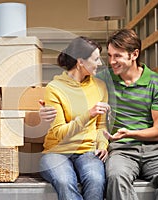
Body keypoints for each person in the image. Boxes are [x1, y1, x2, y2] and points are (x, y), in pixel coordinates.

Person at [40, 29, 158, 200]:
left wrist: (126, 134)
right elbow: (71, 84)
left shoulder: (156, 83)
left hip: (153, 150)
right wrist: (43, 112)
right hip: (120, 150)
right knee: (115, 178)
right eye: (109, 56)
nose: (110, 62)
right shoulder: (102, 79)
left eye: (117, 56)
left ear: (134, 54)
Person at [39, 36, 110, 200]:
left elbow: (101, 126)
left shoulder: (100, 87)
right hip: (56, 152)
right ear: (80, 62)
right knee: (64, 181)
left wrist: (102, 144)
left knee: (96, 180)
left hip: (88, 151)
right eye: (96, 59)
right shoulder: (54, 88)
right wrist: (88, 114)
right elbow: (59, 133)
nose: (100, 63)